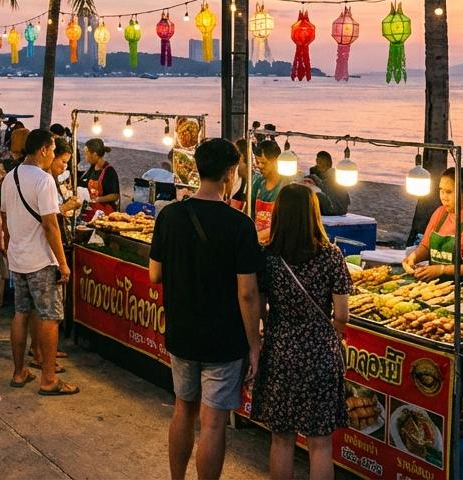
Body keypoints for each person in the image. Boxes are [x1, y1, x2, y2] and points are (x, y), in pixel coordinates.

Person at [149, 138, 263, 480]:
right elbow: (247, 293)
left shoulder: (170, 215)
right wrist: (254, 345)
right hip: (223, 340)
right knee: (213, 422)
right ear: (230, 173)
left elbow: (155, 274)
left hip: (182, 331)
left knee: (183, 410)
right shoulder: (240, 225)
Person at [252, 184, 350, 480]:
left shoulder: (267, 257)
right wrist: (330, 333)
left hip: (280, 351)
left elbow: (259, 307)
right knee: (320, 444)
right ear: (313, 214)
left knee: (281, 439)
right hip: (320, 353)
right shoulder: (331, 255)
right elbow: (342, 314)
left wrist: (271, 328)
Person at [1, 129, 75, 395]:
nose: (53, 155)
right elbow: (50, 225)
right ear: (43, 150)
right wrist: (63, 263)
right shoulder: (44, 180)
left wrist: (12, 248)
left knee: (21, 313)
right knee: (50, 317)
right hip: (41, 260)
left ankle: (19, 372)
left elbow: (6, 221)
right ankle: (49, 378)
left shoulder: (9, 178)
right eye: (53, 151)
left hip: (18, 259)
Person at [402, 167, 463, 293]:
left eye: (448, 192)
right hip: (437, 289)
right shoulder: (439, 213)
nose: (443, 197)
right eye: (441, 191)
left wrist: (442, 269)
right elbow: (426, 247)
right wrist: (413, 257)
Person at [249, 139, 288, 243]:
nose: (259, 166)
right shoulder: (257, 181)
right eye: (257, 162)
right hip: (257, 239)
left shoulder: (285, 186)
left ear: (276, 162)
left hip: (276, 241)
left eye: (263, 163)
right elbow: (249, 210)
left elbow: (285, 222)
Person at [79, 138, 120, 220]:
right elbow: (83, 182)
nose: (85, 157)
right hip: (92, 208)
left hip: (105, 211)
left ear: (94, 154)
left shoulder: (109, 171)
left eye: (87, 154)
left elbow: (115, 195)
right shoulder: (92, 168)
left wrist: (98, 199)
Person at [305, 150, 350, 216]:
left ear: (328, 162)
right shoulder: (315, 172)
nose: (318, 161)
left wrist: (314, 178)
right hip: (323, 207)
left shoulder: (333, 175)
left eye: (322, 159)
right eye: (317, 159)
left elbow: (325, 190)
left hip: (336, 209)